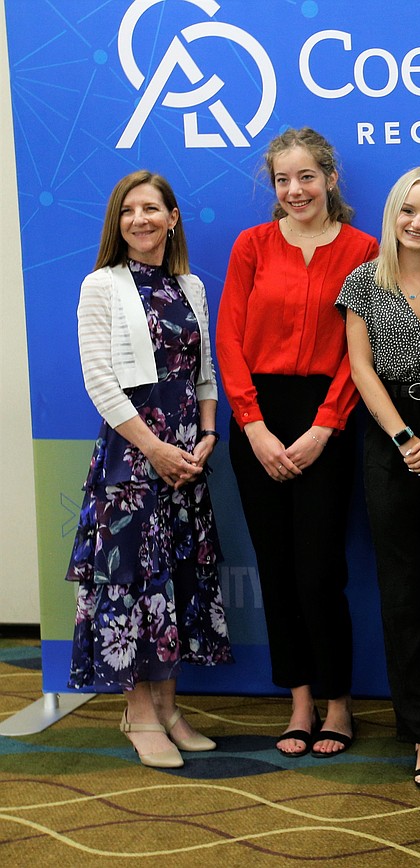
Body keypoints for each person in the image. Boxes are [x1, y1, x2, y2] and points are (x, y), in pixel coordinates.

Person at [217, 128, 378, 759]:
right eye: (282, 180)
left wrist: (324, 426)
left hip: (328, 420)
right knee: (278, 572)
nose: (294, 191)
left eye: (306, 177)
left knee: (320, 572)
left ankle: (339, 704)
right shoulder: (252, 245)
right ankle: (301, 702)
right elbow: (229, 340)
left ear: (331, 179)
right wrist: (253, 426)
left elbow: (358, 353)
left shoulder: (364, 249)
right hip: (257, 418)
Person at [66, 170, 232, 769]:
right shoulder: (100, 286)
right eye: (128, 210)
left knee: (176, 578)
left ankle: (168, 707)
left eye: (151, 208)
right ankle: (137, 711)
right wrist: (154, 448)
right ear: (118, 222)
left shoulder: (189, 287)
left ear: (172, 217)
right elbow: (100, 381)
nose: (140, 219)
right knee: (135, 583)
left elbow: (204, 373)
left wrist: (208, 435)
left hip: (188, 456)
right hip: (133, 460)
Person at [337, 167, 420, 790]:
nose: (418, 223)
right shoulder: (364, 282)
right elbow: (361, 369)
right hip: (391, 442)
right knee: (404, 591)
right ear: (392, 216)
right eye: (407, 211)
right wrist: (406, 439)